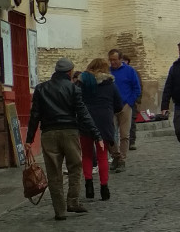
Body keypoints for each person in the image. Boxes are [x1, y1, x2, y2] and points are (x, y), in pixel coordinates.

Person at [24, 57, 103, 221]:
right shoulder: (73, 89)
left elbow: (35, 115)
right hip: (69, 132)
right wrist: (97, 135)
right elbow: (83, 113)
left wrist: (29, 139)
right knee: (75, 167)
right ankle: (73, 201)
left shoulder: (40, 88)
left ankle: (59, 211)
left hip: (48, 134)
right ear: (69, 72)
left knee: (54, 172)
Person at [78, 58, 123, 201]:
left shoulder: (81, 83)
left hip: (85, 121)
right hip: (104, 122)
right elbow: (119, 105)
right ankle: (104, 188)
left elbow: (76, 101)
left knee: (86, 155)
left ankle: (89, 184)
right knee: (103, 155)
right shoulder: (110, 84)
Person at [108, 48, 141, 173]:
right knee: (110, 134)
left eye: (115, 60)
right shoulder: (108, 71)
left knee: (124, 135)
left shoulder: (129, 71)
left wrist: (130, 102)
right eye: (111, 60)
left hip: (125, 106)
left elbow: (136, 88)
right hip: (110, 107)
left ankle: (122, 160)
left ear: (121, 59)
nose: (113, 62)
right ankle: (115, 155)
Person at [122, 54, 142, 151]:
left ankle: (132, 141)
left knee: (132, 122)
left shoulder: (133, 72)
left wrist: (136, 100)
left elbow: (139, 86)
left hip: (131, 101)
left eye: (125, 61)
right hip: (121, 101)